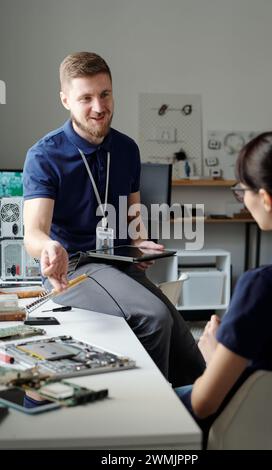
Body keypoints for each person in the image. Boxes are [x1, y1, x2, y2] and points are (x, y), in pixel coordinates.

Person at [23, 52, 204, 386]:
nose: (98, 106)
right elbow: (34, 232)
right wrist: (48, 248)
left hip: (117, 263)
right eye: (85, 98)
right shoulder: (44, 155)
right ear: (65, 100)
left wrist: (139, 243)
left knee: (187, 348)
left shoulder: (127, 149)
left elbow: (133, 213)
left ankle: (190, 419)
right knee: (155, 317)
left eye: (104, 94)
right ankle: (149, 416)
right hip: (73, 269)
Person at [176, 127, 272, 446]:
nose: (242, 197)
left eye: (242, 189)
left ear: (266, 198)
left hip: (218, 427)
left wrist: (212, 354)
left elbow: (204, 405)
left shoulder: (263, 285)